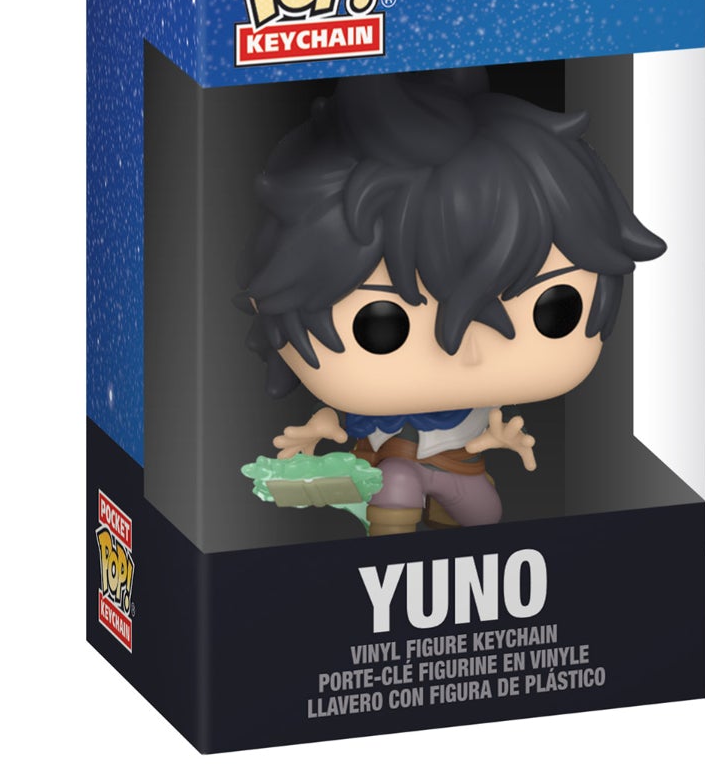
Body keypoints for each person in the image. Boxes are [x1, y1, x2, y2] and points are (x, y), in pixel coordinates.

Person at [237, 68, 665, 535]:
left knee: (485, 514)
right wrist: (320, 430)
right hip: (388, 468)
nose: (466, 350)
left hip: (461, 467)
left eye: (555, 309)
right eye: (380, 326)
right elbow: (340, 425)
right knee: (397, 483)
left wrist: (498, 438)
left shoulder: (474, 403)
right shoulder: (374, 405)